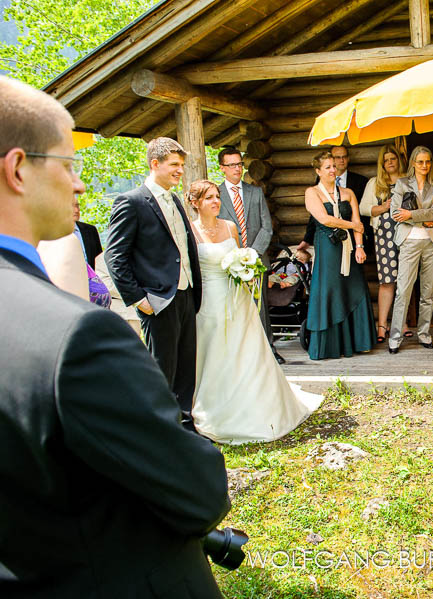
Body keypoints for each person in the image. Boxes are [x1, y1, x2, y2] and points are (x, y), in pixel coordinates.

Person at [0, 74, 230, 599]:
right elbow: (199, 493)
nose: (80, 185)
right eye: (69, 164)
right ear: (17, 169)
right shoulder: (77, 338)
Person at [187, 180, 321, 443]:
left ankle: (257, 403)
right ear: (195, 203)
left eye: (216, 196)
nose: (215, 201)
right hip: (209, 303)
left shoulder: (230, 227)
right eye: (208, 198)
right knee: (215, 352)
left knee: (247, 350)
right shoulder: (190, 232)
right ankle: (218, 408)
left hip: (237, 299)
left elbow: (241, 257)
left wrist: (246, 272)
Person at [106, 137, 203, 431]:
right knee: (162, 370)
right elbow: (115, 256)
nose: (180, 171)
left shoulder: (174, 199)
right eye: (174, 165)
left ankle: (185, 429)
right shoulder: (131, 201)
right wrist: (138, 299)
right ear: (155, 164)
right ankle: (160, 432)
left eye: (182, 166)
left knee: (186, 367)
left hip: (185, 294)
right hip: (157, 299)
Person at [304, 150, 375, 359]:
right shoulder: (312, 192)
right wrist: (351, 225)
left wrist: (360, 246)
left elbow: (358, 224)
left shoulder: (348, 193)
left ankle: (357, 342)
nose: (332, 170)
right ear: (318, 171)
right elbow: (324, 219)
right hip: (328, 249)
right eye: (327, 167)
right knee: (329, 289)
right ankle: (329, 346)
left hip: (350, 249)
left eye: (334, 166)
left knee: (355, 287)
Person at [215, 147, 283, 364]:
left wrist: (251, 254)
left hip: (256, 259)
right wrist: (235, 256)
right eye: (232, 165)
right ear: (222, 168)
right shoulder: (217, 195)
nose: (237, 168)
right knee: (235, 306)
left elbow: (266, 226)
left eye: (239, 164)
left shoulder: (255, 192)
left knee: (260, 306)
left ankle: (268, 349)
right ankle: (240, 353)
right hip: (229, 261)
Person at [359, 144, 417, 343]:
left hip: (407, 233)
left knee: (404, 281)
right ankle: (382, 325)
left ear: (398, 160)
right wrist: (383, 207)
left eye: (392, 158)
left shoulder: (408, 182)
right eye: (386, 160)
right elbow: (363, 209)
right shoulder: (375, 183)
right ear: (381, 164)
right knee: (387, 281)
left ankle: (402, 323)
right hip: (384, 235)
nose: (390, 162)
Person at [388, 145, 433, 353]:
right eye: (420, 162)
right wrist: (423, 218)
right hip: (409, 242)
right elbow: (395, 213)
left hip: (432, 242)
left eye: (428, 161)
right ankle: (395, 337)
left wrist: (411, 215)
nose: (424, 165)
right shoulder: (402, 183)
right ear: (412, 163)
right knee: (403, 291)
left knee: (428, 293)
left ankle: (424, 334)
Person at [74, 200, 101, 268]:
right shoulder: (54, 234)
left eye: (77, 206)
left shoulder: (91, 230)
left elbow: (99, 258)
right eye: (72, 206)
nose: (76, 210)